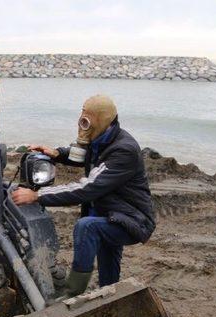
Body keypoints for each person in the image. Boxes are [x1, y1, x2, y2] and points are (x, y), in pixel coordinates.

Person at [12, 95, 155, 297]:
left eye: (87, 119)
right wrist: (57, 153)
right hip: (110, 214)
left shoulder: (124, 150)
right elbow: (82, 154)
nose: (83, 122)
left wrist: (37, 195)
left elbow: (88, 188)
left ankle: (72, 292)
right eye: (82, 116)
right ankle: (109, 295)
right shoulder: (101, 138)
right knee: (108, 257)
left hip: (132, 220)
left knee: (87, 227)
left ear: (101, 119)